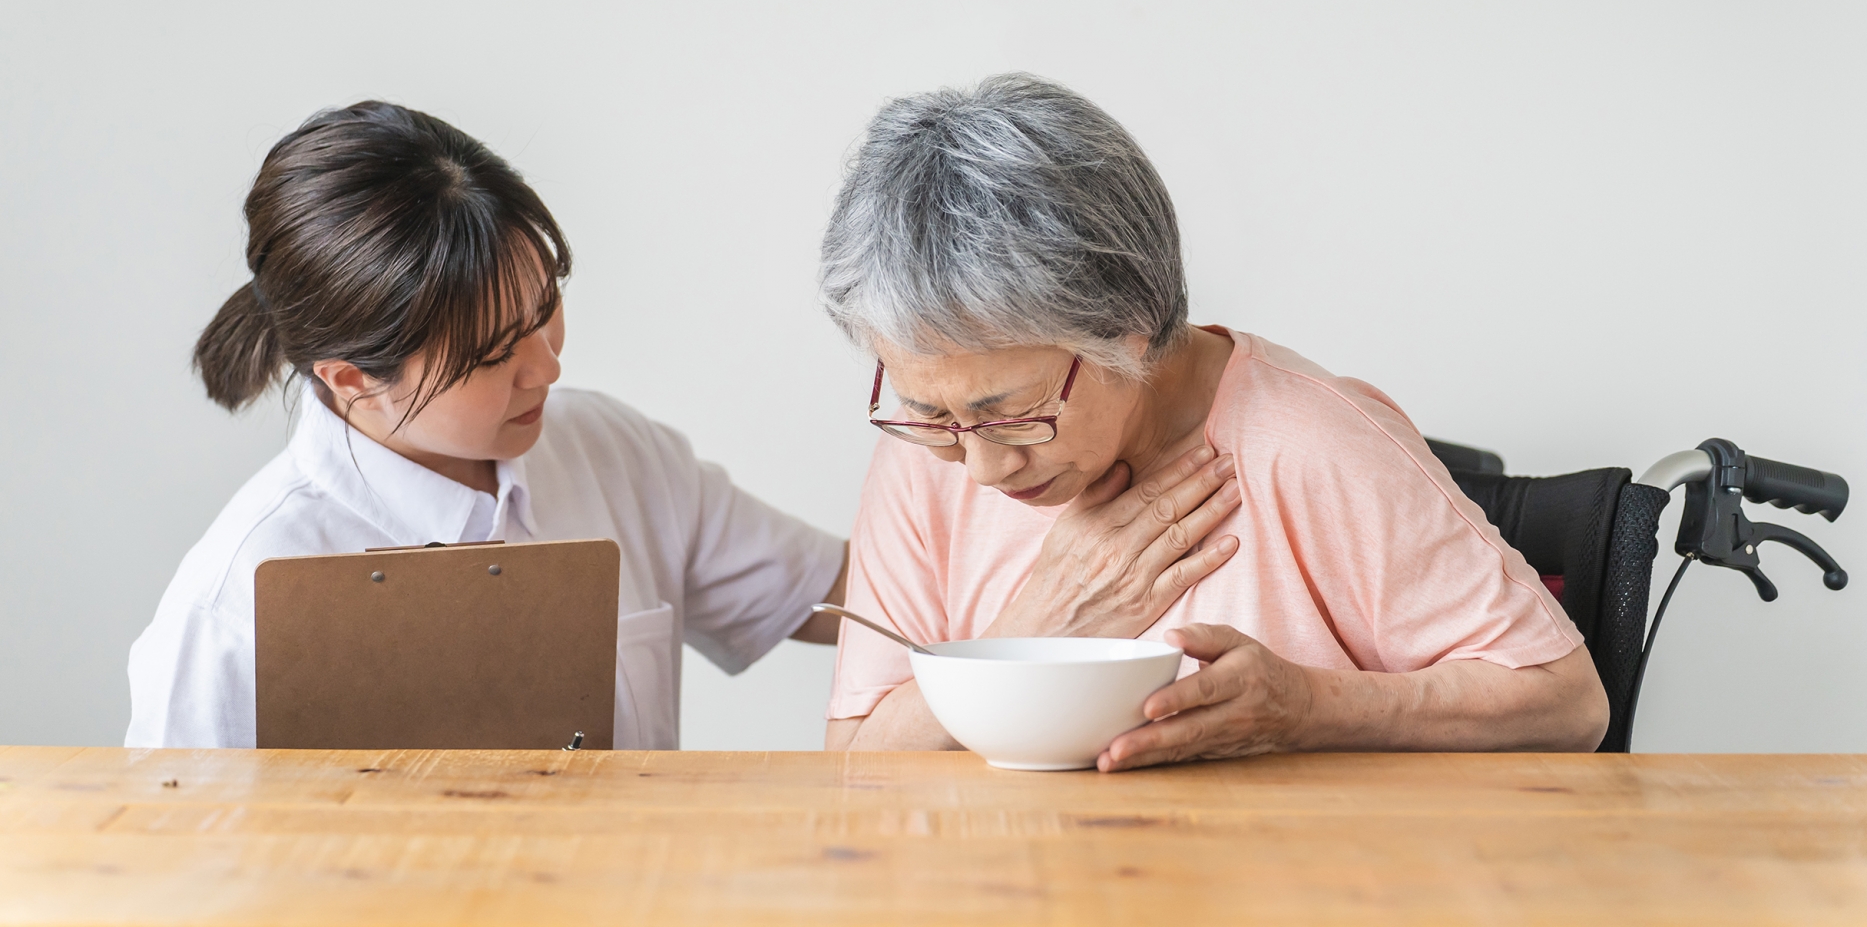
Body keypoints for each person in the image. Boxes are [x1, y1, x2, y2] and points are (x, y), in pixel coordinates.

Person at [129, 100, 1231, 749]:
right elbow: (183, 867)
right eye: (492, 355)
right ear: (350, 381)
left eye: (546, 310)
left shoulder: (607, 452)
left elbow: (864, 600)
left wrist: (1098, 573)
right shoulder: (243, 596)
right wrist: (1025, 623)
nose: (547, 364)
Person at [818, 74, 1612, 769]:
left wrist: (1311, 709)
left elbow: (1567, 704)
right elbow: (853, 763)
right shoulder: (924, 459)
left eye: (1013, 414)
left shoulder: (1311, 445)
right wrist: (1036, 626)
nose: (982, 469)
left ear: (1129, 327)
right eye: (929, 411)